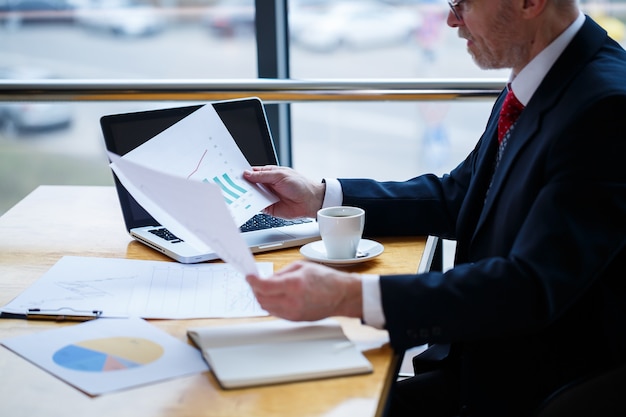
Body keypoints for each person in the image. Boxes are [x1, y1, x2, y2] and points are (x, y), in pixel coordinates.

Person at [243, 0, 626, 414]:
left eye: (463, 4)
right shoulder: (542, 73)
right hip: (483, 358)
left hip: (534, 386)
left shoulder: (606, 106)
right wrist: (320, 197)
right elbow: (459, 195)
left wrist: (351, 297)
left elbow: (530, 287)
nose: (450, 19)